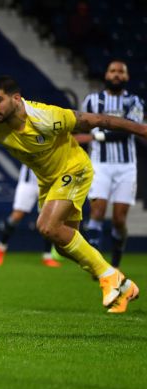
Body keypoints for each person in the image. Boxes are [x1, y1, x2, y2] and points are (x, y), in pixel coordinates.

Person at [0, 75, 142, 313]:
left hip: (74, 169)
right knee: (62, 242)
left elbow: (100, 119)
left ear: (16, 99)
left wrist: (142, 129)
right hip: (48, 181)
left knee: (47, 226)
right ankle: (124, 286)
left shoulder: (46, 118)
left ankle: (109, 277)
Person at [78, 60, 144, 268]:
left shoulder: (134, 102)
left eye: (120, 72)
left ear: (126, 77)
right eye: (112, 71)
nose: (116, 75)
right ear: (106, 75)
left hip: (126, 167)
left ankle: (116, 257)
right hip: (99, 165)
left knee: (118, 220)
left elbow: (128, 131)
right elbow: (82, 128)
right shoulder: (92, 101)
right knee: (96, 212)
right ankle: (96, 264)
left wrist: (97, 136)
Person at [0, 165, 62, 267]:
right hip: (28, 182)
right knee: (16, 216)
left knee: (47, 219)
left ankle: (47, 256)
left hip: (47, 182)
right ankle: (1, 248)